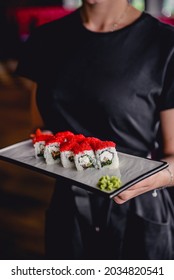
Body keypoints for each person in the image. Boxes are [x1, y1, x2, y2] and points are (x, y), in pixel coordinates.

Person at [15, 0, 174, 259]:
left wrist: (149, 179)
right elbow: (41, 130)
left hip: (138, 209)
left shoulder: (165, 44)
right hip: (67, 205)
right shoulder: (46, 38)